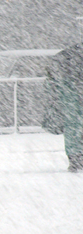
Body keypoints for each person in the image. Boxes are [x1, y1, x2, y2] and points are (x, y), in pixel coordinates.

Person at [45, 43, 83, 172]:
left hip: (70, 99)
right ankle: (77, 158)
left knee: (73, 128)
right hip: (72, 99)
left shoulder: (66, 58)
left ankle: (75, 158)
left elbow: (51, 84)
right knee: (74, 127)